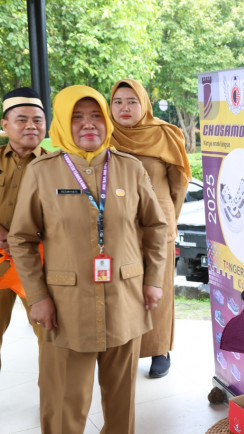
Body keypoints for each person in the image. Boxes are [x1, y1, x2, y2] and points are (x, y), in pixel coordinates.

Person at [8, 85, 168, 434]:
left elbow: (156, 226)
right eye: (76, 117)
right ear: (64, 122)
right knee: (64, 405)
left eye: (95, 114)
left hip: (126, 300)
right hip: (66, 308)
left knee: (122, 407)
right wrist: (37, 297)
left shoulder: (129, 167)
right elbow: (20, 238)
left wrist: (153, 279)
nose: (88, 124)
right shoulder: (43, 171)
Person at [109, 78, 190, 378]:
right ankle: (126, 346)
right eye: (118, 102)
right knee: (123, 288)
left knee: (158, 287)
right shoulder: (105, 135)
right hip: (119, 227)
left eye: (132, 101)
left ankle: (159, 349)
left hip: (158, 224)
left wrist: (169, 217)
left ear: (144, 103)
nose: (124, 108)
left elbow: (178, 183)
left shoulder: (164, 134)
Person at [0, 87, 46, 370]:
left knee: (51, 336)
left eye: (38, 119)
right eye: (21, 119)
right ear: (5, 125)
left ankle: (53, 407)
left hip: (39, 264)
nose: (31, 125)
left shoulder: (58, 164)